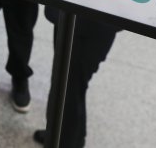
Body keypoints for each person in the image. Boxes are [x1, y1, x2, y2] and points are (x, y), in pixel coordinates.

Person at [33, 8, 119, 148]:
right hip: (73, 12)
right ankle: (65, 136)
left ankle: (63, 141)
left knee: (68, 88)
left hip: (91, 20)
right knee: (69, 84)